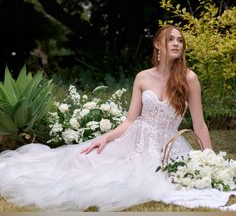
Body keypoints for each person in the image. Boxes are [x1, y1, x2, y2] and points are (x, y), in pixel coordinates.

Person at [0, 25, 234, 212]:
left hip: (167, 147)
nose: (176, 43)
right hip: (134, 139)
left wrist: (210, 161)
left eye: (180, 40)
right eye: (171, 39)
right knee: (83, 162)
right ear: (157, 44)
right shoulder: (142, 77)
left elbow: (199, 124)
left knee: (145, 180)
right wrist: (105, 138)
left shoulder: (189, 78)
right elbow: (130, 120)